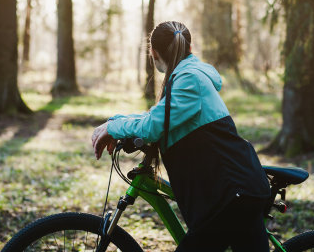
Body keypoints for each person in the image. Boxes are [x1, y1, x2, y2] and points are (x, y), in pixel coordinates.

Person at [92, 20, 271, 252]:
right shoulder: (188, 76)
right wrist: (117, 122)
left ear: (154, 53)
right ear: (189, 47)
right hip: (235, 192)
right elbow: (159, 117)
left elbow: (152, 127)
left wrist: (113, 127)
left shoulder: (189, 80)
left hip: (230, 195)